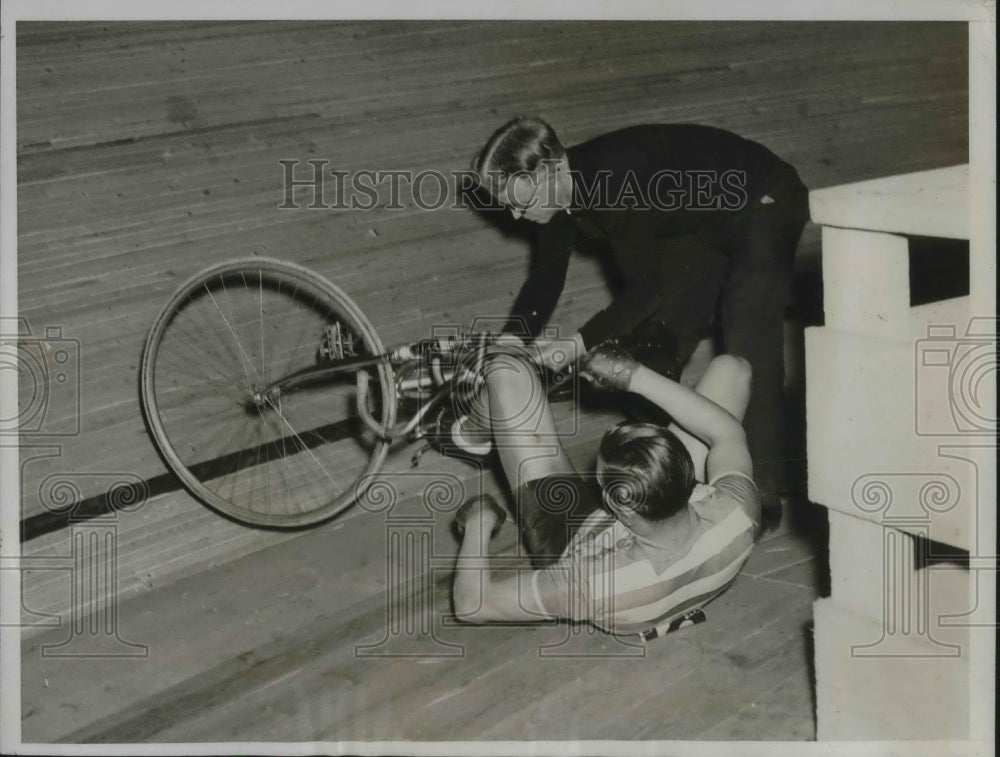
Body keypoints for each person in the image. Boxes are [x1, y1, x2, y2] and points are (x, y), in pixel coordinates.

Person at [471, 118, 809, 518]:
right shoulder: (559, 194)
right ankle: (675, 466)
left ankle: (762, 491)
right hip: (697, 219)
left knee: (748, 328)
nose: (514, 216)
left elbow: (644, 292)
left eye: (520, 203)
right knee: (655, 345)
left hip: (762, 197)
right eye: (507, 205)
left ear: (552, 168)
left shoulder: (613, 181)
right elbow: (546, 276)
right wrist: (512, 339)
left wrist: (576, 344)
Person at [451, 340, 760, 636]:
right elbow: (726, 429)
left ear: (617, 504)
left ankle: (476, 429)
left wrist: (480, 522)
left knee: (507, 369)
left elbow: (473, 605)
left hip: (574, 537)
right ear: (684, 473)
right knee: (732, 370)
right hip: (656, 538)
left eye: (598, 481)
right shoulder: (737, 510)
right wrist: (631, 375)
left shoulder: (588, 583)